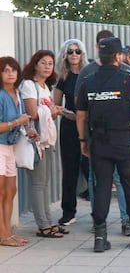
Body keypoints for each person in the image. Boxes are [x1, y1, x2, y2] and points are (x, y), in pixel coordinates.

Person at [76, 37, 130, 252]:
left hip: (99, 142)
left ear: (100, 56)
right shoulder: (128, 80)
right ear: (119, 57)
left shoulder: (88, 81)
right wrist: (128, 110)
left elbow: (81, 115)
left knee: (102, 188)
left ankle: (100, 237)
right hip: (123, 140)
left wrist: (82, 140)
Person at [74, 29, 130, 236]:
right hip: (96, 134)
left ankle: (127, 221)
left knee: (123, 180)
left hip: (122, 134)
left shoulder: (126, 71)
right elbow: (79, 105)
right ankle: (99, 222)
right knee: (98, 181)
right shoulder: (87, 71)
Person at [20, 50, 66, 238]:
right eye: (43, 63)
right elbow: (32, 113)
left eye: (50, 63)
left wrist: (53, 111)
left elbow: (46, 110)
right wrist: (52, 112)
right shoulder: (29, 85)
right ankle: (42, 225)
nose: (47, 66)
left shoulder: (45, 86)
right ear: (35, 64)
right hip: (34, 140)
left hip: (45, 140)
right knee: (38, 183)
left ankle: (48, 220)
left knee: (45, 183)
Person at [54, 39, 89, 226]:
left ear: (82, 53)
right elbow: (56, 105)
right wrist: (69, 114)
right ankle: (68, 211)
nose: (74, 54)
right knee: (69, 171)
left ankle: (98, 215)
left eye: (77, 51)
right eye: (70, 51)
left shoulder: (89, 75)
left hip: (89, 127)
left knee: (93, 170)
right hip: (69, 127)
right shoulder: (63, 77)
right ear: (65, 55)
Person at [0, 56, 31, 246]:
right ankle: (2, 235)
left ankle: (8, 232)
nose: (11, 73)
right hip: (0, 146)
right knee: (1, 192)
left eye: (14, 70)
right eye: (6, 70)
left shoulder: (17, 93)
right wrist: (16, 122)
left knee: (11, 191)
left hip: (11, 147)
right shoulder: (1, 95)